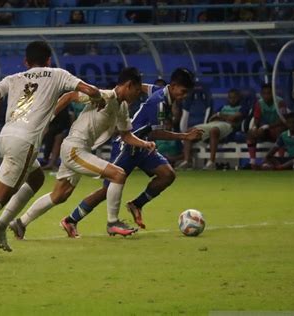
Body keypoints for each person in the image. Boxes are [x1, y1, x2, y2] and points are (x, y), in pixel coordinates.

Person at [0, 41, 104, 259]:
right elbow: (91, 90)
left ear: (26, 62)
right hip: (24, 142)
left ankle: (0, 227)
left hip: (6, 136)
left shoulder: (15, 78)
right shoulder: (57, 74)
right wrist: (98, 99)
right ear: (49, 60)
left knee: (36, 178)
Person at [1, 67, 155, 239]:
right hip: (75, 148)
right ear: (128, 85)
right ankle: (113, 223)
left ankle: (20, 224)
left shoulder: (122, 107)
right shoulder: (104, 96)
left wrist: (144, 143)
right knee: (118, 175)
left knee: (60, 195)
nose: (138, 93)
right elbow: (69, 96)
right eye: (136, 89)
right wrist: (47, 119)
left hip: (80, 149)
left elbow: (126, 135)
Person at [57, 68, 203, 238]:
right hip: (127, 146)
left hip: (143, 146)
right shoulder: (160, 102)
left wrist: (130, 88)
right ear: (174, 86)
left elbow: (143, 87)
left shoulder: (160, 90)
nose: (184, 96)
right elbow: (157, 133)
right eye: (183, 91)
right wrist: (185, 136)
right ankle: (71, 219)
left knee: (167, 174)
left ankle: (136, 204)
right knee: (108, 188)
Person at [178, 88, 248, 170]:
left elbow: (233, 118)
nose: (232, 100)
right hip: (212, 124)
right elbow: (212, 118)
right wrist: (223, 116)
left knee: (214, 130)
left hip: (228, 126)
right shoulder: (223, 107)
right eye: (230, 97)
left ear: (239, 98)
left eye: (234, 97)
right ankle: (187, 161)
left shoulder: (242, 108)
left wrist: (220, 116)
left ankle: (211, 162)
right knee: (189, 131)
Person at [246, 83, 288, 168]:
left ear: (273, 93)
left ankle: (281, 161)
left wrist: (267, 126)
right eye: (264, 93)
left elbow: (283, 120)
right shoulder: (259, 103)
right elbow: (256, 119)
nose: (266, 96)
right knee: (250, 133)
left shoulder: (280, 102)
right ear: (261, 94)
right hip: (266, 130)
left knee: (281, 132)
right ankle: (252, 162)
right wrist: (255, 127)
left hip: (277, 128)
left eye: (268, 93)